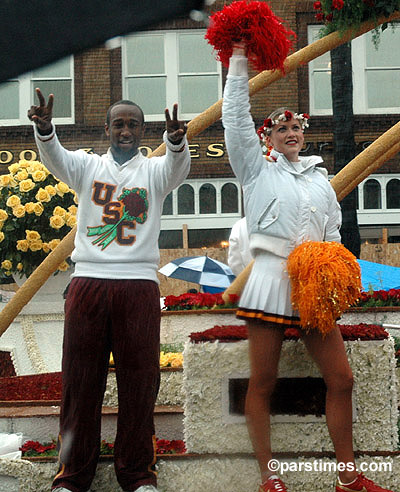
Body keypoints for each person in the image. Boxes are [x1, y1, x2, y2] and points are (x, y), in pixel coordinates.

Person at [222, 44, 394, 492]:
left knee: (342, 378)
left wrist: (337, 277)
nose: (291, 131)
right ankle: (268, 477)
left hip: (314, 286)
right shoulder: (255, 172)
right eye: (281, 128)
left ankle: (348, 477)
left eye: (297, 125)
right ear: (268, 138)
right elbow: (235, 119)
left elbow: (334, 238)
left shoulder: (321, 181)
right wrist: (238, 62)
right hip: (268, 280)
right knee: (263, 382)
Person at [28, 88, 190, 492]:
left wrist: (175, 142)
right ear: (106, 129)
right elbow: (56, 160)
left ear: (142, 131)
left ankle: (137, 476)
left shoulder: (153, 172)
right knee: (80, 383)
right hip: (88, 283)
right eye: (118, 123)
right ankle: (72, 477)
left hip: (137, 285)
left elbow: (177, 170)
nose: (125, 130)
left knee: (140, 382)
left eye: (133, 124)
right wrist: (46, 131)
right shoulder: (87, 166)